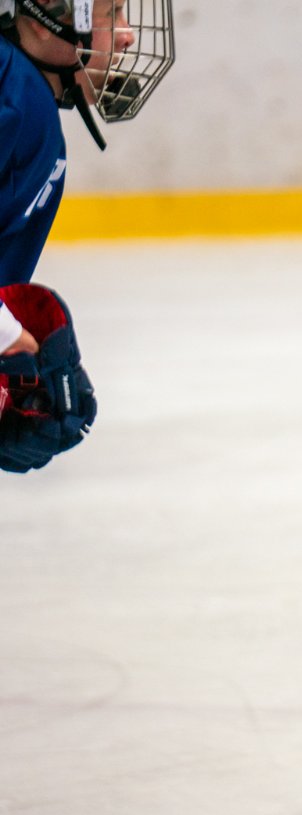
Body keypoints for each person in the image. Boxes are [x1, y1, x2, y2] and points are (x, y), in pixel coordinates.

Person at [0, 0, 175, 471]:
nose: (128, 34)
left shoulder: (28, 100)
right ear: (45, 17)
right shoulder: (13, 91)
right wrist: (9, 338)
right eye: (111, 13)